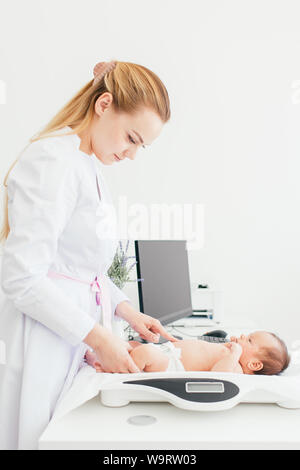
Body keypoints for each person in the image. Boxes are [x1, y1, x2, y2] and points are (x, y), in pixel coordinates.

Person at [0, 60, 177, 450]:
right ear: (104, 105)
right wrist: (99, 339)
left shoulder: (87, 165)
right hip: (44, 340)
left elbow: (83, 271)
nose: (131, 154)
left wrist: (127, 311)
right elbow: (21, 278)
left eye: (141, 146)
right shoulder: (52, 161)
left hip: (73, 334)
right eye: (131, 138)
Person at [85, 330, 291, 375]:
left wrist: (234, 354)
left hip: (172, 366)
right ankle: (106, 354)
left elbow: (220, 376)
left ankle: (109, 368)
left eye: (249, 340)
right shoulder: (230, 351)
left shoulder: (234, 366)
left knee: (145, 352)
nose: (243, 336)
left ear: (254, 364)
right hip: (170, 352)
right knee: (133, 345)